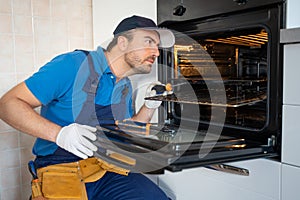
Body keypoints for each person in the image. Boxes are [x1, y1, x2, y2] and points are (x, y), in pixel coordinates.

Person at [0, 15, 175, 200]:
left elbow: (124, 131)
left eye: (157, 45)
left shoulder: (124, 85)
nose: (156, 52)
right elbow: (8, 104)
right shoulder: (73, 65)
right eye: (149, 42)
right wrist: (60, 134)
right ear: (123, 42)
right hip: (60, 169)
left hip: (106, 168)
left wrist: (149, 107)